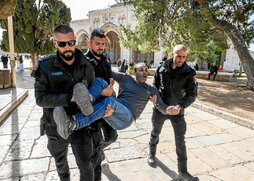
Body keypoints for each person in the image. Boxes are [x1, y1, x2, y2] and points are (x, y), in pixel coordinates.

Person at [32, 24, 98, 181]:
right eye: (62, 44)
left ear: (75, 41)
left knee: (86, 167)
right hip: (55, 126)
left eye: (71, 43)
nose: (67, 47)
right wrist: (69, 98)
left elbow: (93, 93)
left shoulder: (86, 64)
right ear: (55, 43)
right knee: (61, 164)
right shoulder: (45, 66)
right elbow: (40, 99)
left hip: (81, 125)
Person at [53, 63, 178, 140]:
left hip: (127, 117)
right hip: (113, 111)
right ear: (134, 72)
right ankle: (88, 99)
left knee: (109, 101)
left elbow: (161, 106)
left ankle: (73, 123)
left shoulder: (151, 89)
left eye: (146, 70)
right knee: (102, 81)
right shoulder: (126, 78)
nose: (144, 72)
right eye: (141, 70)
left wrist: (168, 109)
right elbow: (107, 73)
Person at [147, 45, 199, 181]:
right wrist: (153, 96)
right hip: (160, 109)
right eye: (178, 56)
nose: (181, 59)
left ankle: (183, 172)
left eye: (184, 57)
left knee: (180, 141)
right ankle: (151, 154)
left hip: (177, 112)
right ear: (172, 54)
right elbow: (155, 85)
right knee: (155, 133)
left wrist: (180, 107)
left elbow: (192, 95)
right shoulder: (162, 67)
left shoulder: (189, 72)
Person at [84, 28, 118, 181]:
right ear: (89, 43)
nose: (100, 47)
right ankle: (97, 153)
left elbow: (110, 77)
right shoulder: (84, 63)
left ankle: (99, 149)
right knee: (95, 158)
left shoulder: (105, 59)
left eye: (103, 44)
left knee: (112, 136)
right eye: (97, 43)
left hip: (108, 106)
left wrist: (111, 86)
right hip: (94, 110)